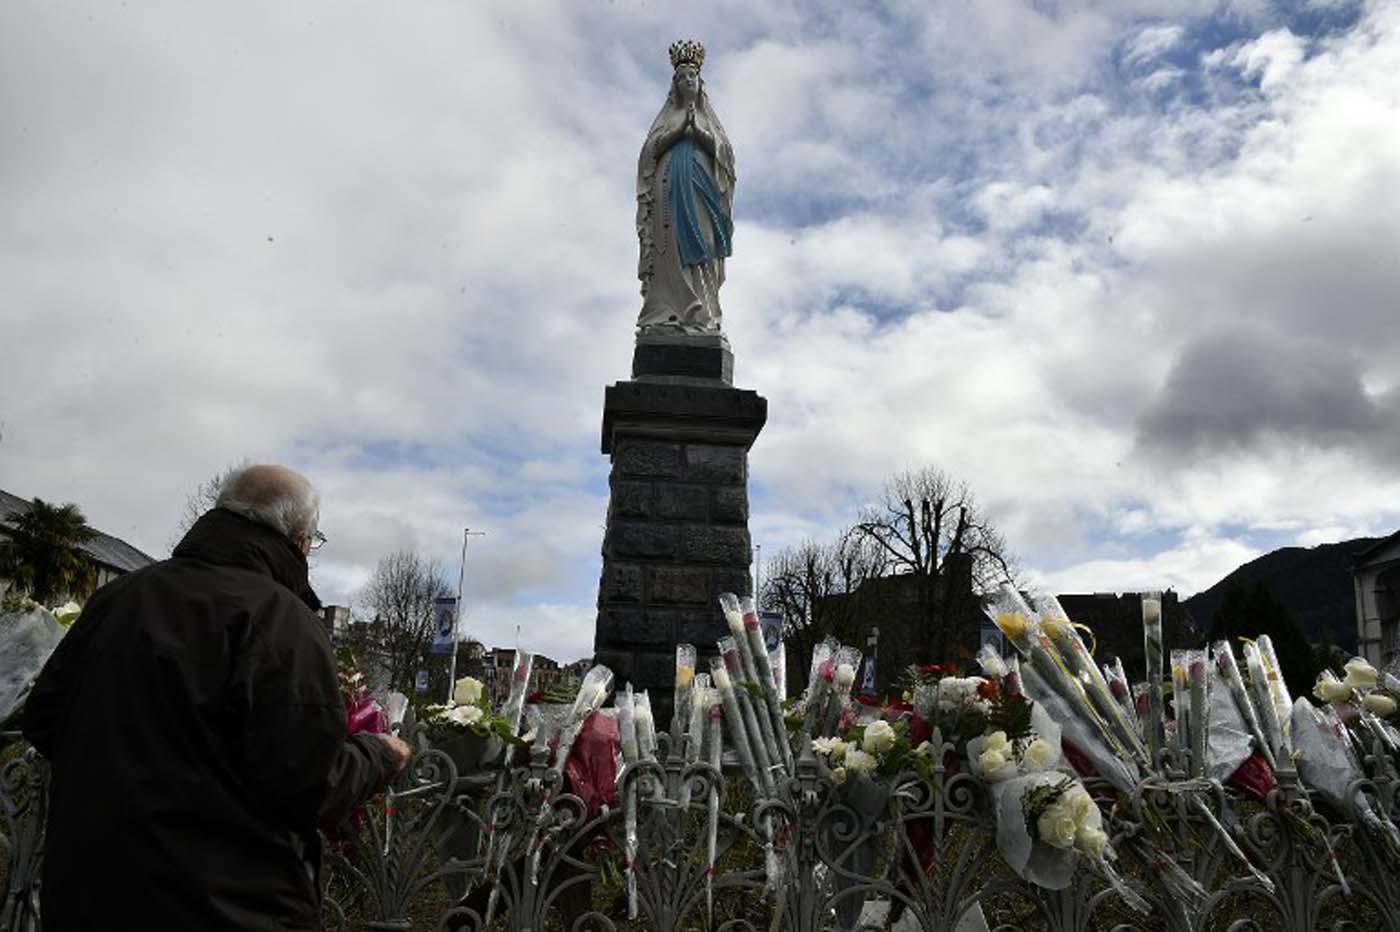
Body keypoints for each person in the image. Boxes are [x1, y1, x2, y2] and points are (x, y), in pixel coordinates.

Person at [23, 464, 411, 930]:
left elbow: (44, 717)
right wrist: (379, 754)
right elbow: (311, 784)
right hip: (227, 907)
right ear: (300, 538)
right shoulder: (280, 621)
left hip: (90, 894)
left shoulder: (120, 597)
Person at [635, 39, 736, 334]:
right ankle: (672, 311)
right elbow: (649, 154)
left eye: (691, 76)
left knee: (704, 242)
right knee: (672, 245)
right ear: (674, 86)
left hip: (701, 190)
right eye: (681, 77)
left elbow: (726, 158)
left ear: (700, 82)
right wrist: (679, 131)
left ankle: (703, 312)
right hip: (669, 190)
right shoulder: (668, 119)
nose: (687, 80)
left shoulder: (710, 120)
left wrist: (700, 132)